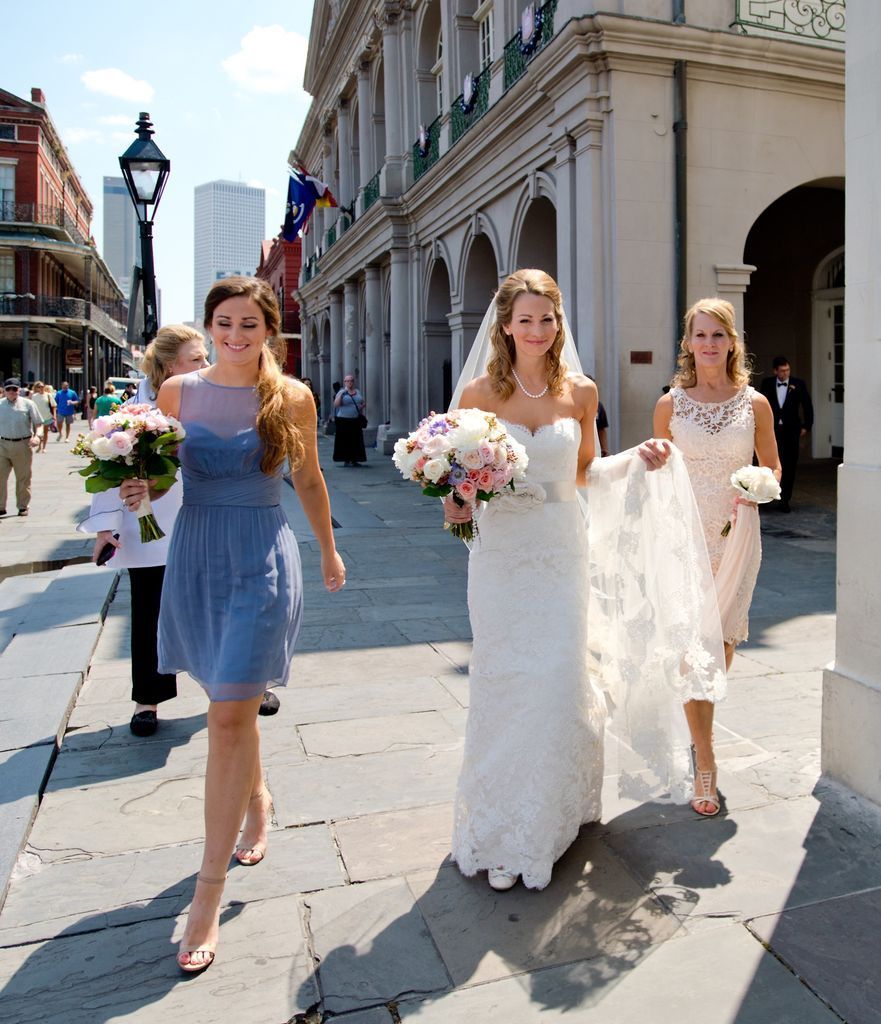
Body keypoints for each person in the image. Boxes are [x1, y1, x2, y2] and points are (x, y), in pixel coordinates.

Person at [442, 269, 720, 892]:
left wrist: (635, 459)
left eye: (548, 319)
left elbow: (584, 474)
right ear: (505, 325)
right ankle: (499, 822)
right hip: (502, 556)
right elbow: (459, 486)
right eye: (526, 319)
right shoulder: (480, 395)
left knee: (558, 678)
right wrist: (455, 504)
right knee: (505, 680)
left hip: (560, 550)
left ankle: (551, 817)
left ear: (558, 324)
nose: (537, 330)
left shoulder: (582, 393)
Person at [141, 276, 345, 974]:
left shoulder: (291, 396)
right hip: (196, 557)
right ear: (209, 325)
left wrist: (327, 546)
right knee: (227, 708)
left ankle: (206, 894)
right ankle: (255, 796)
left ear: (269, 329)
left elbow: (309, 479)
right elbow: (164, 477)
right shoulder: (178, 394)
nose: (236, 334)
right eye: (224, 323)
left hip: (262, 555)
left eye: (249, 324)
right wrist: (137, 484)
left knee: (230, 714)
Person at [655, 297, 780, 815]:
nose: (709, 344)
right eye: (700, 335)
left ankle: (697, 736)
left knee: (721, 648)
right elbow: (656, 473)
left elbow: (772, 468)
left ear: (732, 342)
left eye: (718, 335)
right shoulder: (669, 404)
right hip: (683, 537)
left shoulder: (755, 404)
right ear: (687, 343)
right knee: (693, 648)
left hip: (736, 536)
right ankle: (705, 760)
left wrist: (759, 486)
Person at [78, 326, 209, 737]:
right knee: (149, 612)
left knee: (214, 609)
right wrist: (105, 530)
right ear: (171, 365)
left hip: (203, 521)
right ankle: (146, 701)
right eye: (196, 358)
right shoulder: (132, 411)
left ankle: (239, 688)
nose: (205, 365)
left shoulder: (211, 398)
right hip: (148, 528)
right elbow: (108, 470)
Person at [759, 356, 813, 512]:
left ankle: (785, 500)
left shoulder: (799, 384)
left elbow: (807, 405)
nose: (786, 373)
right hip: (772, 431)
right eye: (782, 370)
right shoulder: (767, 384)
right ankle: (766, 499)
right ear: (775, 371)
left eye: (787, 370)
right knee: (769, 465)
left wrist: (806, 425)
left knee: (789, 466)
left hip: (791, 431)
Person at [0, 378, 42, 516]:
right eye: (9, 389)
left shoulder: (28, 404)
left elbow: (38, 424)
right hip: (2, 444)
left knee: (23, 477)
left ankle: (23, 506)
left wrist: (37, 436)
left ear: (19, 390)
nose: (12, 392)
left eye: (15, 389)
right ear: (4, 391)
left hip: (22, 444)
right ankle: (1, 506)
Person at [333, 373, 366, 466]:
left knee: (356, 440)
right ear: (344, 382)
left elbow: (362, 402)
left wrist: (361, 407)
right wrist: (341, 395)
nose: (349, 383)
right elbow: (336, 405)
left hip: (355, 419)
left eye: (351, 380)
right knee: (345, 440)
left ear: (353, 382)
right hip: (343, 420)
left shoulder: (358, 392)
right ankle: (346, 460)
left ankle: (355, 459)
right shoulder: (341, 392)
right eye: (347, 381)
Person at [29, 381, 56, 453]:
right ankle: (39, 446)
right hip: (37, 417)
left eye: (42, 386)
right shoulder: (34, 396)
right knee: (38, 433)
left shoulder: (48, 395)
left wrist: (54, 416)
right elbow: (31, 407)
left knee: (45, 432)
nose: (41, 388)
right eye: (39, 387)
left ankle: (44, 447)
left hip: (47, 416)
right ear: (36, 388)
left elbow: (53, 406)